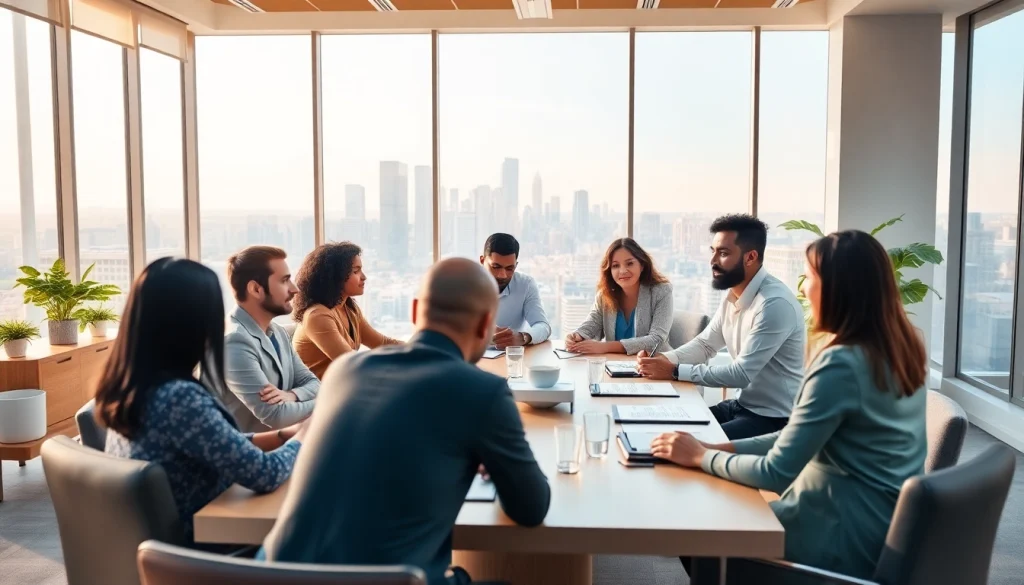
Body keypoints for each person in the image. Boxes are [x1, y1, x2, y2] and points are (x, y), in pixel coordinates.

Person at [651, 230, 927, 579]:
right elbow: (793, 437)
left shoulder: (840, 365)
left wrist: (700, 456)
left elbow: (776, 472)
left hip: (834, 539)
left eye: (810, 277)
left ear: (839, 288)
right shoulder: (900, 349)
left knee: (698, 524)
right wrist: (719, 447)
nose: (804, 290)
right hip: (875, 529)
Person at [261, 258, 551, 585]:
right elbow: (531, 508)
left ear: (415, 312)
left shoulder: (344, 372)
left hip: (272, 573)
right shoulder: (484, 391)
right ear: (486, 324)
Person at [97, 258, 306, 543]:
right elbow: (265, 474)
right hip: (206, 554)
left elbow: (213, 442)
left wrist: (283, 436)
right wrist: (305, 438)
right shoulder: (178, 399)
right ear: (193, 324)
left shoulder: (136, 387)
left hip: (168, 553)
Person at [638, 215, 804, 440]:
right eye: (713, 251)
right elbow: (706, 344)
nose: (712, 261)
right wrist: (664, 361)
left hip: (773, 420)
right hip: (739, 407)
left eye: (723, 253)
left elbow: (741, 374)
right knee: (662, 429)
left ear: (751, 257)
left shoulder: (773, 304)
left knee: (688, 443)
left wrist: (674, 371)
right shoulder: (734, 294)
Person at [217, 246, 320, 433]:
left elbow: (313, 382)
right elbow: (276, 416)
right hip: (251, 456)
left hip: (286, 446)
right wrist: (326, 404)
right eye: (284, 280)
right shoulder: (234, 342)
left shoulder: (278, 332)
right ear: (256, 289)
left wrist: (292, 395)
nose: (295, 289)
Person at [292, 242, 402, 378]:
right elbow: (351, 364)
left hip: (342, 386)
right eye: (356, 271)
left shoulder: (349, 308)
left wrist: (424, 350)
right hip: (319, 394)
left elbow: (382, 343)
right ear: (335, 277)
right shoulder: (317, 316)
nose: (364, 277)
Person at [565, 238, 673, 355]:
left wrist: (605, 347)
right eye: (615, 266)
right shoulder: (604, 295)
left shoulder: (662, 292)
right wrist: (577, 335)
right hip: (615, 366)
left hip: (654, 367)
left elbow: (656, 341)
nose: (622, 271)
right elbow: (592, 324)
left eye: (629, 263)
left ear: (642, 265)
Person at [480, 233, 551, 349]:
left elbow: (543, 326)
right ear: (482, 261)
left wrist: (523, 337)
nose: (502, 275)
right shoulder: (463, 284)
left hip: (509, 358)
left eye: (509, 268)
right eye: (496, 267)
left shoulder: (525, 284)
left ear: (516, 266)